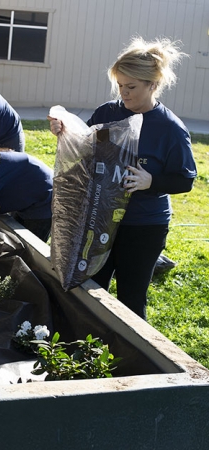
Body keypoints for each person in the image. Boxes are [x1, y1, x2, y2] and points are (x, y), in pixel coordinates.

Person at [49, 36, 197, 319]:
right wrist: (63, 130)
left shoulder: (171, 129)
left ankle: (134, 360)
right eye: (119, 85)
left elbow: (185, 180)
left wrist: (150, 181)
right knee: (91, 288)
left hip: (142, 226)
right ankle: (89, 353)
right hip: (99, 217)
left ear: (153, 85)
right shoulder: (108, 113)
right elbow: (85, 149)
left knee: (130, 298)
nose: (123, 93)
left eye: (131, 87)